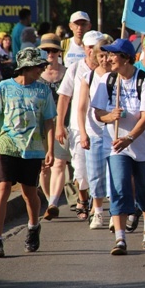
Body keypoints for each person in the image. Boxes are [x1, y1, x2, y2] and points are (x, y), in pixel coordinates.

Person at [0, 47, 56, 258]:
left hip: (32, 149)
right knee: (3, 188)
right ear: (26, 67)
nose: (42, 69)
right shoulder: (4, 87)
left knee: (29, 193)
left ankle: (33, 226)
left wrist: (49, 149)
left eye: (43, 66)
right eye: (39, 66)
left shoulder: (43, 91)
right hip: (6, 145)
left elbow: (49, 122)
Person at [92, 38, 145, 255]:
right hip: (116, 145)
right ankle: (120, 238)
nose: (108, 59)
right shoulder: (107, 80)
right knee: (120, 187)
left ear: (125, 58)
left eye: (113, 55)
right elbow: (97, 112)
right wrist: (108, 116)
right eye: (108, 55)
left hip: (143, 145)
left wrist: (129, 138)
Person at [56, 30, 105, 221]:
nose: (92, 51)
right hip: (78, 128)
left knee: (100, 171)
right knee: (81, 170)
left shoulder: (108, 69)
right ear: (84, 48)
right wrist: (60, 124)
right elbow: (64, 97)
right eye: (89, 47)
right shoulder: (75, 68)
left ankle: (97, 204)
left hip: (103, 128)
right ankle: (83, 199)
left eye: (96, 47)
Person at [77, 37, 115, 229]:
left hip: (116, 131)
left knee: (115, 173)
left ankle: (116, 214)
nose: (105, 60)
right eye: (101, 55)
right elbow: (82, 107)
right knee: (95, 174)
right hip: (94, 131)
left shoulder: (118, 76)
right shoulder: (89, 77)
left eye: (108, 55)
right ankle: (98, 212)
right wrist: (83, 132)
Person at [37, 33, 71, 220]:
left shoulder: (67, 72)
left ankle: (53, 203)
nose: (50, 53)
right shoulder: (36, 73)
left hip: (61, 124)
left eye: (54, 50)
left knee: (59, 162)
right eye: (46, 50)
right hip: (40, 126)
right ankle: (50, 199)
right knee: (43, 167)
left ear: (59, 52)